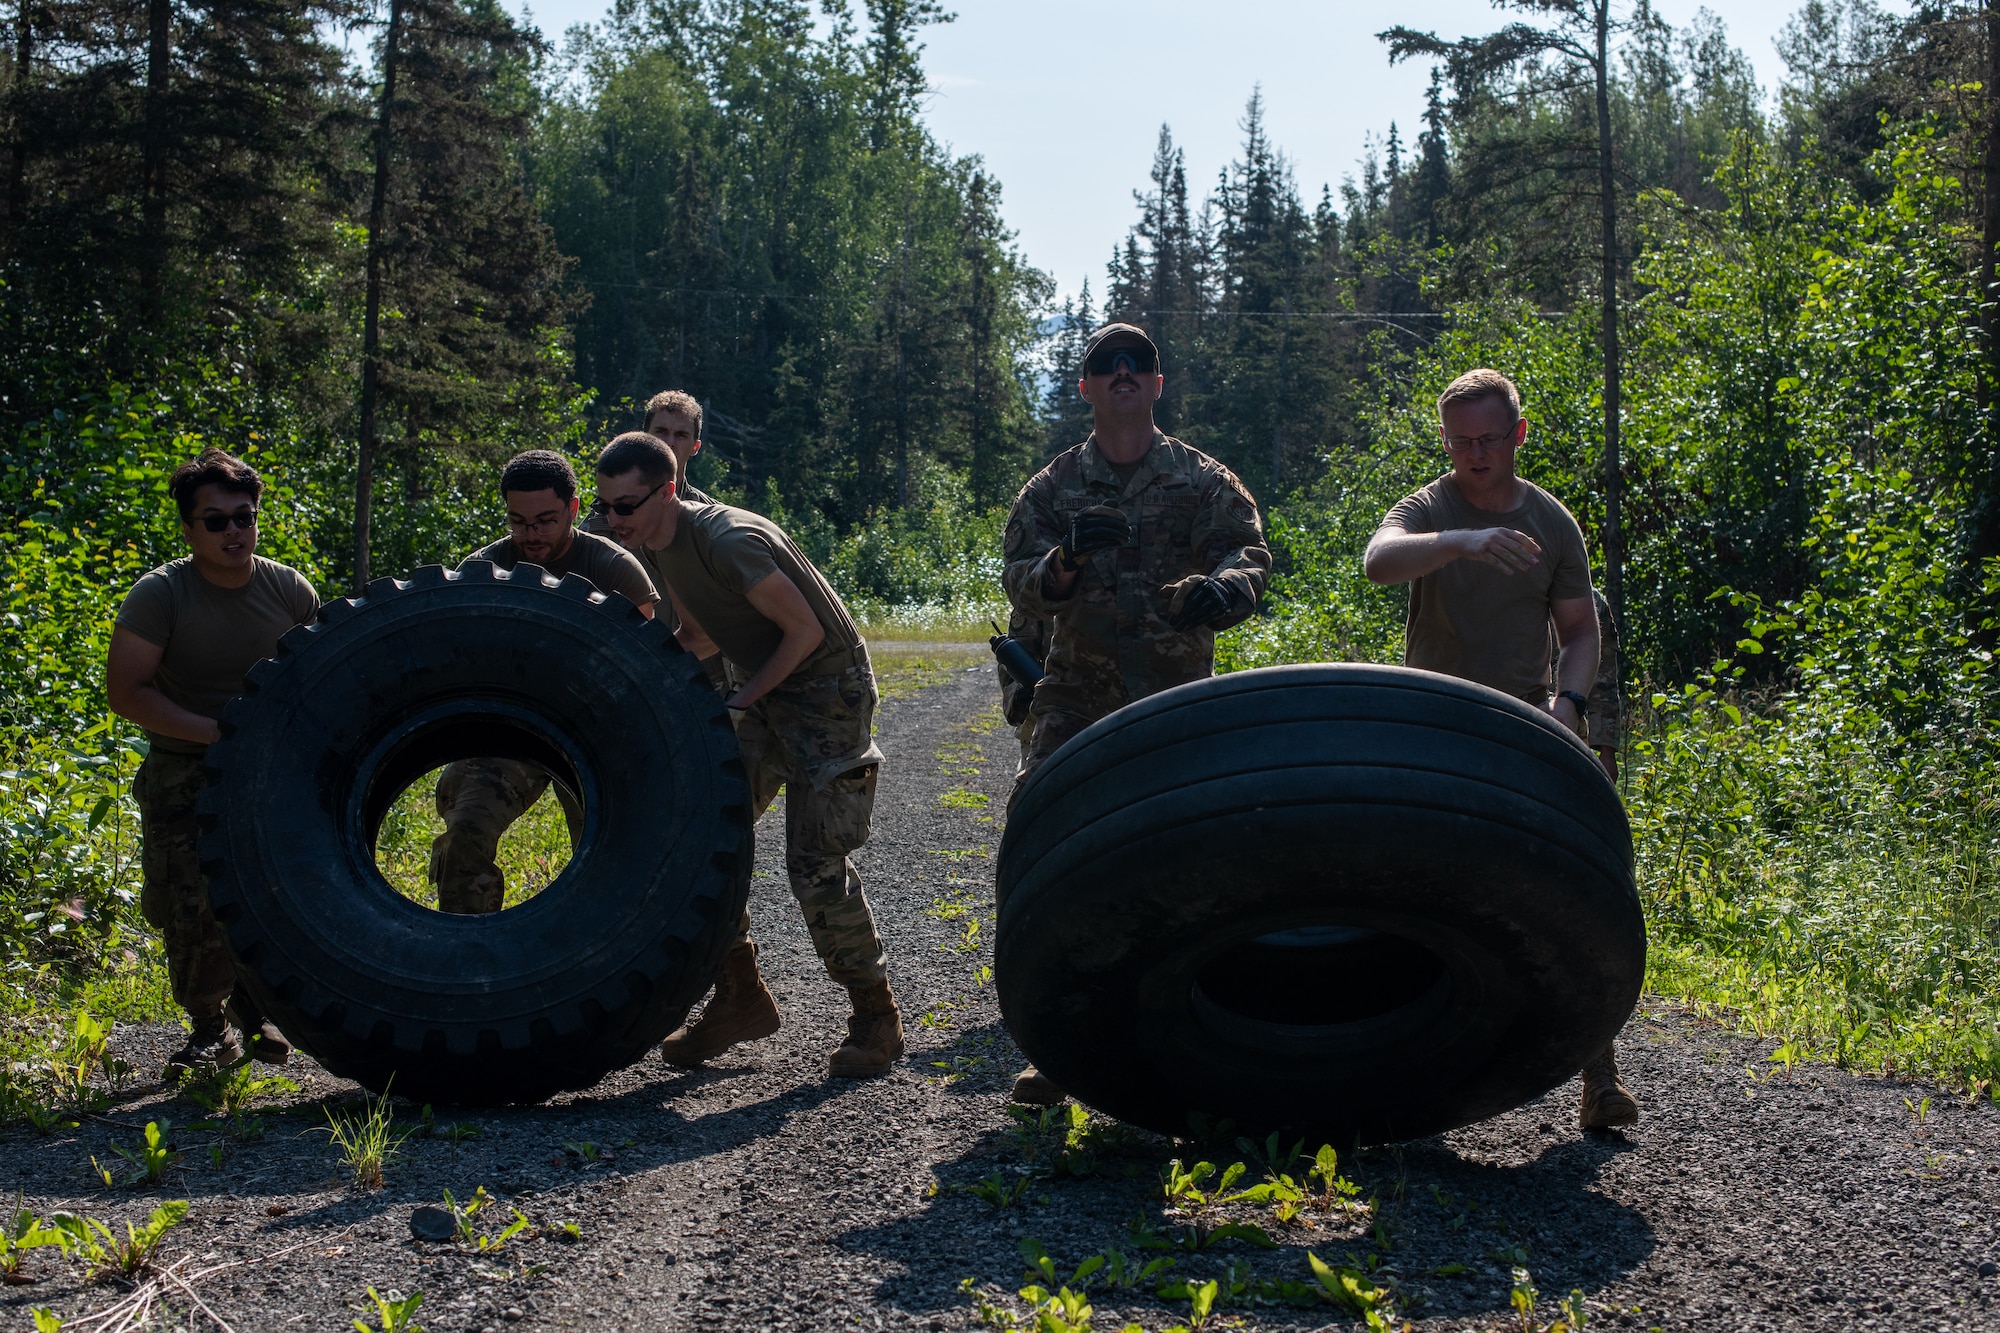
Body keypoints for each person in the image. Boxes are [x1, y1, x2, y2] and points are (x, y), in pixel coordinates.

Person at [1362, 366, 1639, 1132]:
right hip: (1434, 724)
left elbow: (1581, 632)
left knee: (1570, 891)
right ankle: (1400, 1077)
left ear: (1517, 435)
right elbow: (1379, 560)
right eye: (1460, 441)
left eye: (1488, 439)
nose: (1474, 454)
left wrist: (1568, 706)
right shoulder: (1429, 507)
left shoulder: (1553, 523)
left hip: (1524, 726)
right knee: (1418, 888)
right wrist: (1460, 542)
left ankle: (1600, 1077)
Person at [1000, 322, 1271, 1105]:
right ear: (1085, 387)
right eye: (1104, 364)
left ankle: (1204, 1028)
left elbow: (1246, 553)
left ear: (1158, 384)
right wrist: (1064, 561)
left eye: (1138, 363)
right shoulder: (1052, 489)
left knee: (1194, 856)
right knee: (1041, 838)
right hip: (1075, 692)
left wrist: (1225, 590)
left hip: (1176, 697)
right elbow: (1019, 578)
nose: (1123, 372)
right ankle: (1053, 1038)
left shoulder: (1203, 478)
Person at [593, 431, 903, 1079]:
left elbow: (806, 630)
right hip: (763, 686)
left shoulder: (727, 539)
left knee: (814, 862)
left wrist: (737, 704)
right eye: (607, 507)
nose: (613, 520)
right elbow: (700, 634)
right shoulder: (659, 547)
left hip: (827, 693)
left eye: (626, 505)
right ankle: (740, 996)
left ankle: (876, 1017)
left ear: (667, 489)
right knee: (699, 835)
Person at [106, 448, 320, 1075]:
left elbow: (325, 675)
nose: (232, 531)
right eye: (215, 520)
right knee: (185, 903)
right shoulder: (161, 596)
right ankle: (210, 1031)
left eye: (243, 517)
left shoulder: (286, 588)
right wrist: (218, 733)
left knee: (269, 892)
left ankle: (256, 1007)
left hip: (271, 767)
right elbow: (128, 693)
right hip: (184, 771)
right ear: (188, 529)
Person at [427, 449, 659, 915]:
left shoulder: (613, 568)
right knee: (463, 838)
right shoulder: (485, 570)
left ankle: (726, 976)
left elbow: (645, 668)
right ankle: (474, 968)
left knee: (626, 859)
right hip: (515, 730)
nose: (531, 535)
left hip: (598, 734)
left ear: (573, 509)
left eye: (546, 521)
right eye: (518, 521)